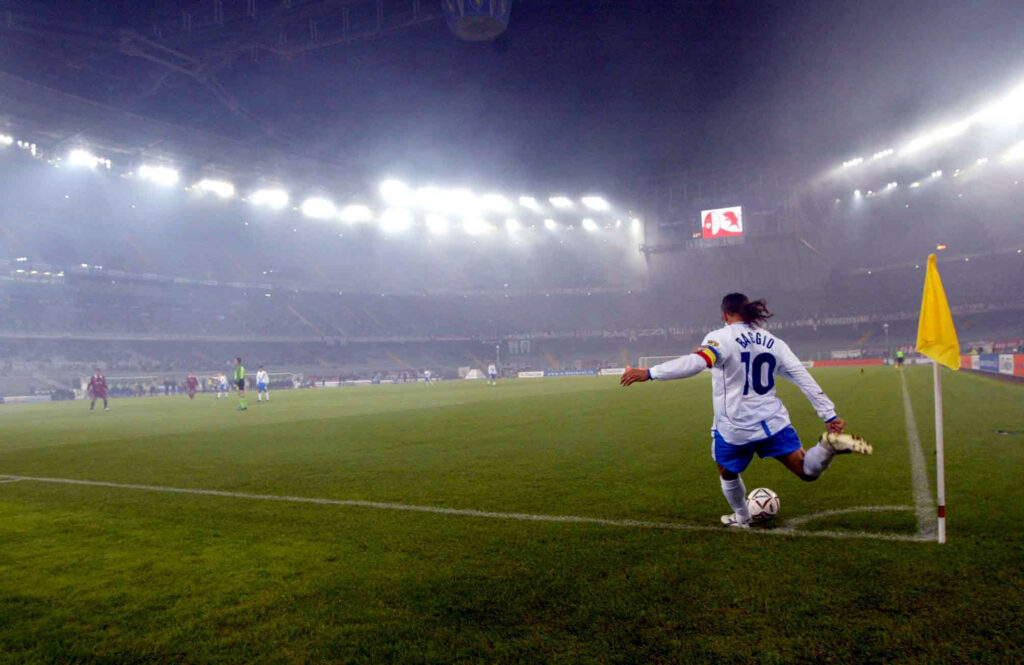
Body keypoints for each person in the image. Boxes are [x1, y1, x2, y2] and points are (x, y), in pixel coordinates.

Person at [620, 293, 872, 528]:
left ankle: (742, 516)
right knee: (806, 470)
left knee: (727, 470)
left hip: (735, 427)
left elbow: (698, 362)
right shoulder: (774, 342)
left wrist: (650, 373)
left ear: (725, 315)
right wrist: (828, 413)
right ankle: (827, 447)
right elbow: (800, 375)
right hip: (773, 422)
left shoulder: (721, 338)